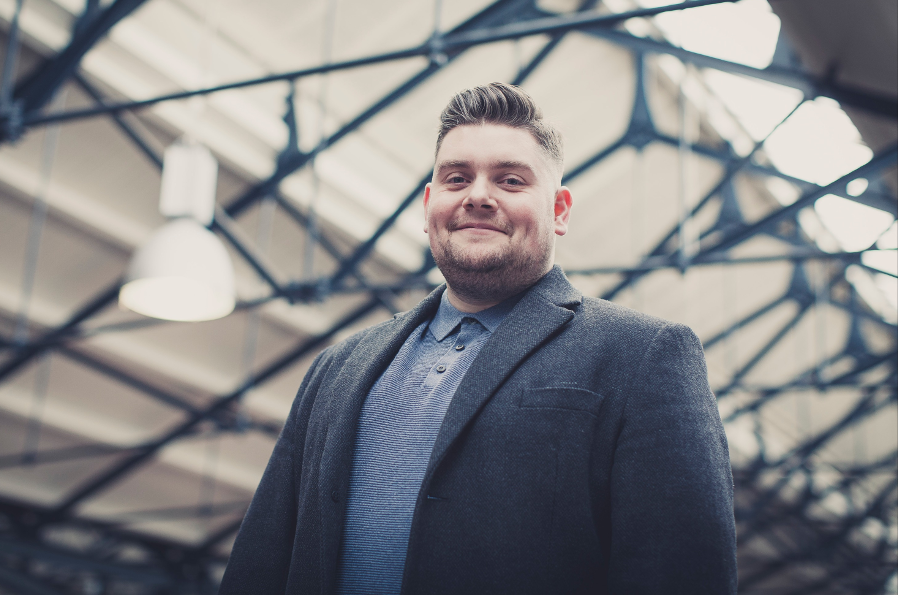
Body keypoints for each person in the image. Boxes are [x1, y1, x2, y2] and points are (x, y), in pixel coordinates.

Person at [220, 83, 737, 594]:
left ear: (559, 210)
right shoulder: (338, 366)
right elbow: (262, 556)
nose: (479, 196)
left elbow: (681, 573)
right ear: (429, 205)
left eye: (510, 180)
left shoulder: (642, 355)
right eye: (456, 178)